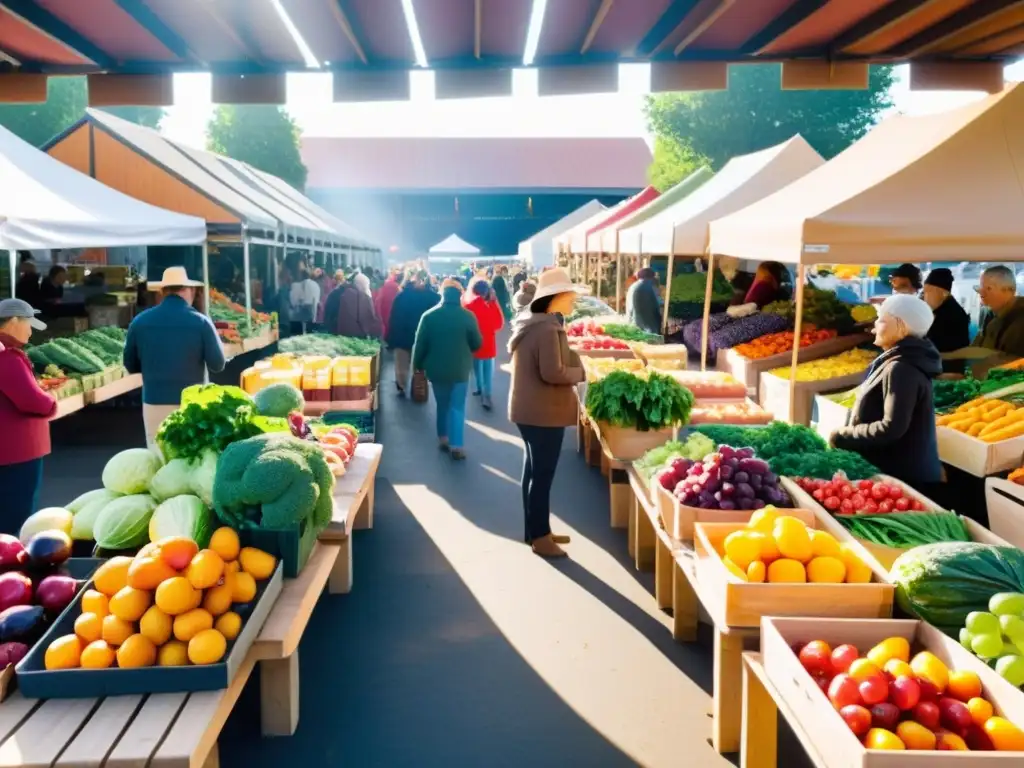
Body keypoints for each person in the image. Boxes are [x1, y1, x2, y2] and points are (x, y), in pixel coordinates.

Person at [508, 267, 586, 558]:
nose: (572, 301)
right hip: (542, 412)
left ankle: (537, 530)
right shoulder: (546, 329)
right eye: (569, 296)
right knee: (542, 476)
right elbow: (552, 372)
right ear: (556, 297)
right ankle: (540, 538)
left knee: (533, 472)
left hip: (529, 409)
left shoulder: (535, 322)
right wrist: (582, 372)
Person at [831, 294, 942, 490]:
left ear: (900, 326)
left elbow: (890, 428)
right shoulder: (901, 360)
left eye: (881, 320)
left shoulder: (901, 368)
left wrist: (842, 435)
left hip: (903, 480)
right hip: (900, 474)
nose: (874, 327)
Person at [124, 267, 226, 448]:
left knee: (158, 456)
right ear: (189, 290)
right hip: (192, 403)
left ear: (163, 292)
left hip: (154, 401)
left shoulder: (139, 322)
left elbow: (130, 365)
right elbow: (217, 364)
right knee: (192, 457)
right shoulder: (201, 322)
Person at [0, 299, 57, 531]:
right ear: (13, 322)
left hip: (8, 451)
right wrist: (51, 401)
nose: (31, 331)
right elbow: (32, 402)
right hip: (17, 452)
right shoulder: (8, 358)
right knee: (17, 515)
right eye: (28, 324)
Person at [412, 278, 482, 460]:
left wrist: (417, 366)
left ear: (442, 294)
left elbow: (420, 345)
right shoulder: (468, 316)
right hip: (460, 369)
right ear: (460, 295)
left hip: (436, 370)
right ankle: (456, 445)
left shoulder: (428, 316)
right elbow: (477, 343)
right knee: (457, 406)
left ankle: (443, 437)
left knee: (442, 404)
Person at [386, 270, 440, 396]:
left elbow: (394, 317)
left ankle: (401, 384)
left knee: (401, 362)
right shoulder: (434, 298)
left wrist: (391, 336)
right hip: (423, 337)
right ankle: (419, 386)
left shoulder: (401, 296)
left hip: (402, 335)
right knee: (420, 363)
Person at [464, 279, 504, 410]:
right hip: (489, 343)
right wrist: (493, 302)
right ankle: (487, 394)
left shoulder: (469, 307)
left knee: (476, 368)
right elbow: (498, 323)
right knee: (488, 370)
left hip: (475, 343)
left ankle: (479, 388)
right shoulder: (490, 306)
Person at [972, 265, 1024, 357]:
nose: (981, 294)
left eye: (989, 288)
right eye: (981, 288)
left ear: (1009, 290)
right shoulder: (990, 314)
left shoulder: (1019, 321)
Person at [922, 268, 971, 353]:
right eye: (924, 291)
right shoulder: (937, 310)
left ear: (944, 293)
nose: (924, 296)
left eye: (929, 291)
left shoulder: (954, 315)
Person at [324, 272, 383, 338]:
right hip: (350, 336)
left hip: (334, 331)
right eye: (367, 285)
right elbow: (366, 319)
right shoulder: (358, 296)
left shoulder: (339, 291)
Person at [626, 267, 662, 335]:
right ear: (650, 277)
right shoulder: (647, 285)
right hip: (647, 328)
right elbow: (657, 303)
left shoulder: (634, 286)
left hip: (633, 325)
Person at [289, 263, 320, 335]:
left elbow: (293, 302)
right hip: (312, 317)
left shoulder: (296, 285)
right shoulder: (316, 285)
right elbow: (317, 302)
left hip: (298, 319)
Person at [374, 270, 403, 340]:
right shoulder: (397, 287)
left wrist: (378, 313)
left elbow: (378, 300)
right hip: (394, 313)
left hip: (384, 311)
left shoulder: (385, 285)